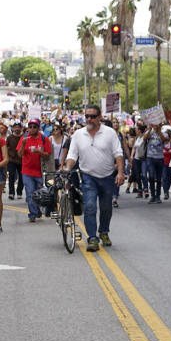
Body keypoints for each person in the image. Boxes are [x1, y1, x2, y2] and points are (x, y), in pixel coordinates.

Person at [63, 104, 125, 252]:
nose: (89, 119)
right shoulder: (78, 134)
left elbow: (118, 153)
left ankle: (103, 232)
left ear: (99, 117)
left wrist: (121, 173)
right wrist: (66, 168)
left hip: (107, 176)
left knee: (105, 208)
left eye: (92, 116)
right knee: (90, 206)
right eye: (87, 117)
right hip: (88, 176)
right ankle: (92, 238)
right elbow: (72, 155)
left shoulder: (110, 133)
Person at [18, 119, 51, 222]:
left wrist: (38, 152)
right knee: (30, 193)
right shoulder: (24, 138)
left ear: (38, 128)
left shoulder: (44, 139)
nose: (32, 129)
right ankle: (32, 213)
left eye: (34, 127)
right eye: (30, 127)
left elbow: (47, 155)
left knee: (40, 193)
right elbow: (19, 154)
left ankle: (37, 210)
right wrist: (23, 144)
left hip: (40, 172)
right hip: (27, 171)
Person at [144, 122, 168, 204]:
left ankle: (158, 196)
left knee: (158, 178)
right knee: (151, 176)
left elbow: (164, 140)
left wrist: (158, 131)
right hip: (150, 157)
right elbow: (144, 138)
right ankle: (152, 195)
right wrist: (150, 128)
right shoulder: (150, 132)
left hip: (160, 158)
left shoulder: (164, 133)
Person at [6, 121, 24, 200]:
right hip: (12, 160)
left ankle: (19, 192)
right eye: (15, 127)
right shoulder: (9, 137)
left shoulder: (23, 137)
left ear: (21, 128)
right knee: (12, 176)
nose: (17, 129)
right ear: (13, 128)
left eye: (18, 127)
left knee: (21, 177)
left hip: (21, 160)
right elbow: (6, 147)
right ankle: (11, 193)